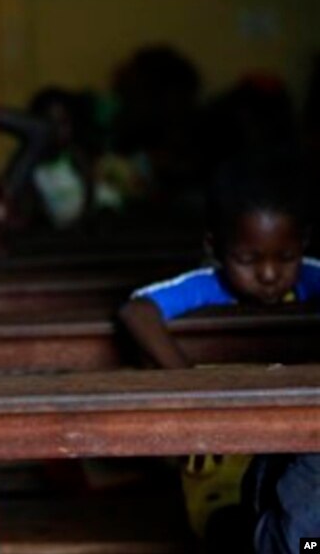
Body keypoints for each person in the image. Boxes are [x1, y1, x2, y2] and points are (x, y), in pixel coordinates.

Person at [119, 153, 318, 552]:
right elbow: (136, 310)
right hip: (222, 485)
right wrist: (194, 383)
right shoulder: (206, 286)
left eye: (285, 257)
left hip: (292, 470)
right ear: (215, 246)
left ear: (304, 243)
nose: (268, 274)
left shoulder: (314, 277)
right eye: (247, 259)